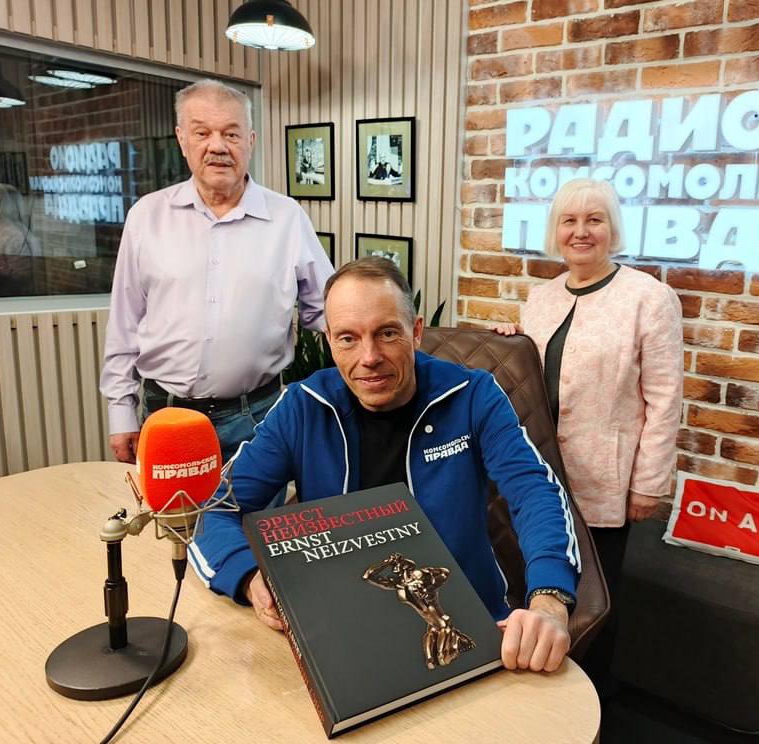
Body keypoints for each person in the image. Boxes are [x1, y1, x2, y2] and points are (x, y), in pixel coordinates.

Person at [190, 258, 581, 673]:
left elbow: (535, 492)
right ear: (329, 341)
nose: (369, 356)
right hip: (340, 629)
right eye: (348, 338)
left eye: (387, 333)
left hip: (468, 625)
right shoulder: (302, 408)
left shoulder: (473, 396)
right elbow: (214, 510)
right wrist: (249, 578)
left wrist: (550, 600)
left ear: (416, 332)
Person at [495, 177, 683, 690]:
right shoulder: (540, 298)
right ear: (556, 231)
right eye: (570, 221)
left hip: (605, 479)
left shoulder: (649, 298)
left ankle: (590, 700)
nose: (581, 231)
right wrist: (512, 345)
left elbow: (665, 400)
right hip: (539, 475)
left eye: (594, 220)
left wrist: (649, 483)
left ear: (611, 228)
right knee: (538, 584)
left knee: (594, 600)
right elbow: (537, 374)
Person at [100, 79, 333, 466]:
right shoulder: (147, 216)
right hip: (166, 415)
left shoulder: (287, 218)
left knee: (257, 509)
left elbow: (327, 311)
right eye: (202, 133)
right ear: (182, 139)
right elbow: (125, 323)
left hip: (258, 418)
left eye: (231, 133)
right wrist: (120, 410)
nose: (218, 146)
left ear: (250, 141)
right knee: (171, 510)